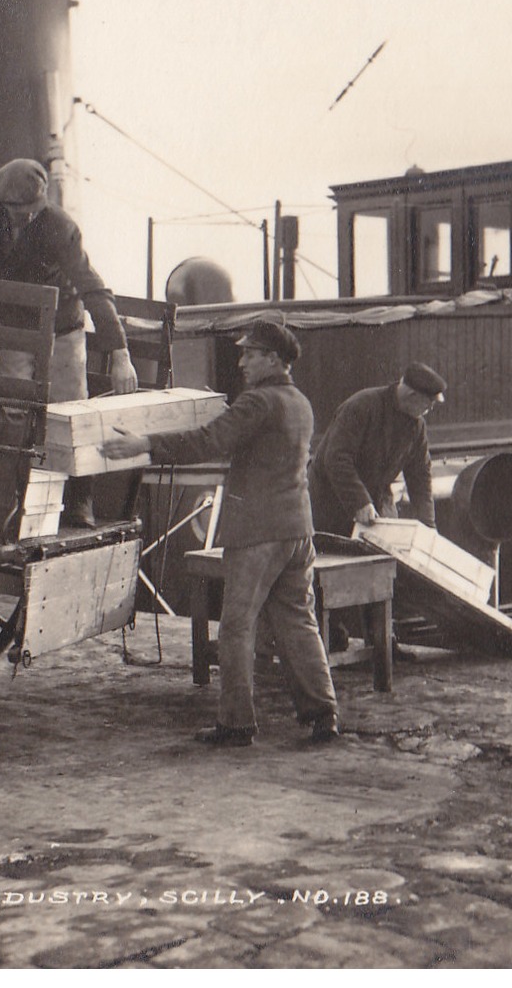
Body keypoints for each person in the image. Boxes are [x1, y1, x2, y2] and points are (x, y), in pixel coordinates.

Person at [104, 319, 338, 747]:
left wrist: (145, 444)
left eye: (250, 354)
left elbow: (209, 441)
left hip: (257, 534)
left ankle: (236, 722)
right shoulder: (299, 402)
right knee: (299, 621)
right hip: (297, 531)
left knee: (235, 627)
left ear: (273, 359)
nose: (242, 361)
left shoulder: (259, 402)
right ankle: (323, 713)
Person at [0, 157, 137, 527]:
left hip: (61, 328)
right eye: (11, 210)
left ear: (41, 203)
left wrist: (121, 353)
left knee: (70, 413)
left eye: (26, 211)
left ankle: (81, 500)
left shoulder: (61, 227)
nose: (18, 217)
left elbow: (94, 289)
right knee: (15, 410)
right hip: (13, 325)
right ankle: (21, 499)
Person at [307, 361, 445, 538]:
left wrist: (428, 527)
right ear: (412, 395)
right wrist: (360, 502)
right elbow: (336, 458)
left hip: (373, 505)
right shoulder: (361, 406)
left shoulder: (416, 426)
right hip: (329, 505)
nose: (430, 409)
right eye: (429, 403)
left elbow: (420, 476)